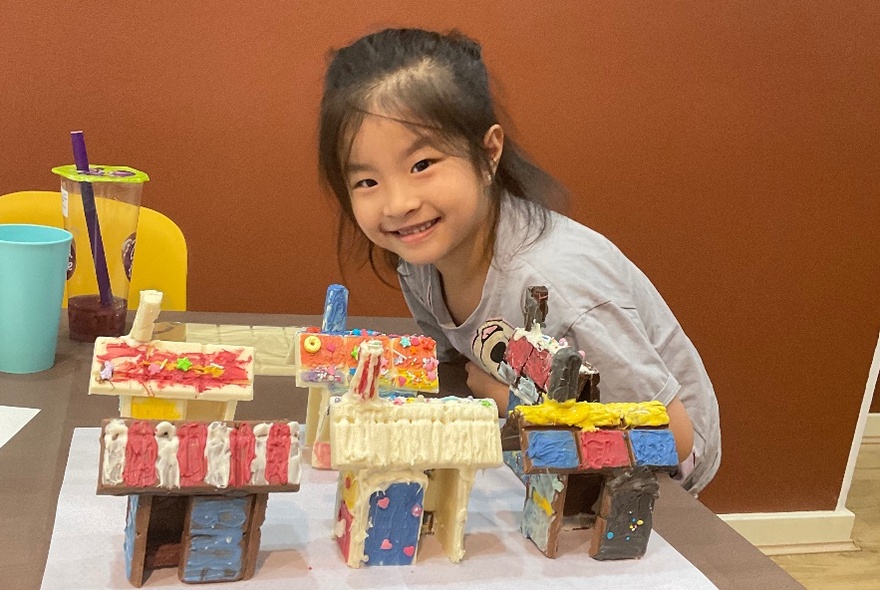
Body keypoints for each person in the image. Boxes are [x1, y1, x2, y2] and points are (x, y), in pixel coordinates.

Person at [317, 28, 720, 493]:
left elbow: (673, 438)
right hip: (532, 443)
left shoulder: (557, 288)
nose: (397, 204)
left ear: (488, 153)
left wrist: (505, 400)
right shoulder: (422, 253)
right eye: (367, 181)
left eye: (422, 165)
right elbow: (457, 367)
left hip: (657, 472)